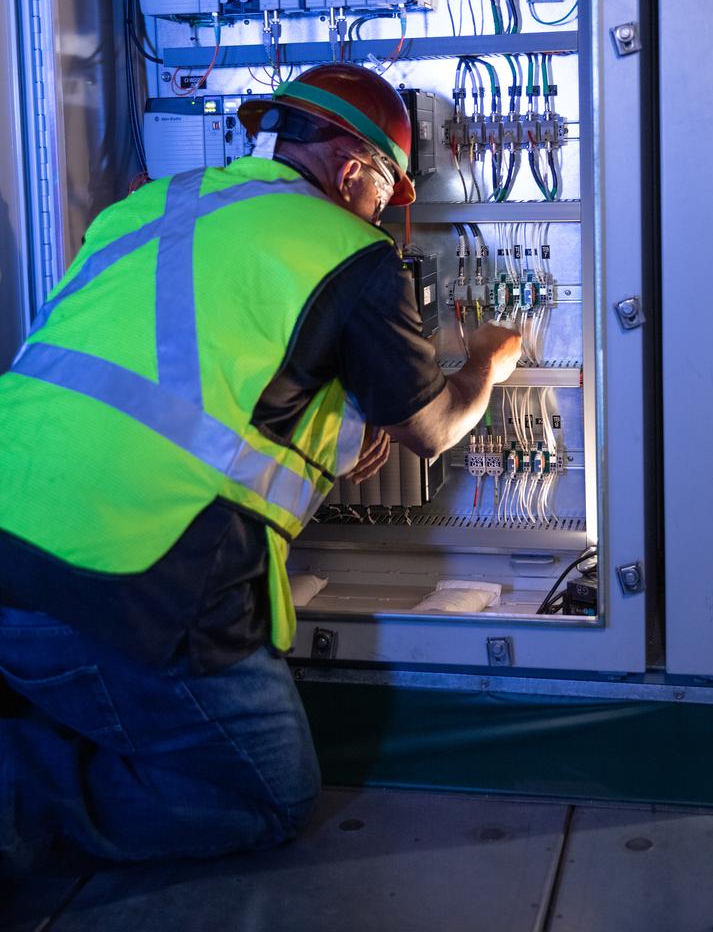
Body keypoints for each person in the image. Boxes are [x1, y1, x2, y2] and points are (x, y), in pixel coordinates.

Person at [0, 62, 521, 868]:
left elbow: (179, 375)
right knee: (263, 794)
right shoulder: (354, 255)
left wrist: (331, 433)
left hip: (12, 538)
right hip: (125, 581)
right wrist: (488, 360)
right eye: (387, 197)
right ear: (352, 172)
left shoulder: (151, 205)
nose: (385, 219)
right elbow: (433, 429)